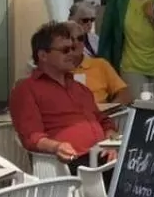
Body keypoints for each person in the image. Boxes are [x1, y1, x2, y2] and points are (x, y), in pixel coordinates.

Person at [10, 22, 109, 163]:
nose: (72, 54)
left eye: (73, 48)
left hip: (102, 156)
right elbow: (31, 136)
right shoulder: (26, 89)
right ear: (43, 55)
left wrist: (112, 143)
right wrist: (56, 147)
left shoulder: (80, 88)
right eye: (65, 50)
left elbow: (104, 122)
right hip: (68, 163)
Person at [69, 3, 131, 106]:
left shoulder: (99, 57)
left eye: (92, 20)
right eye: (85, 20)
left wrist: (108, 111)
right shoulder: (57, 67)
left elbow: (125, 94)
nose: (89, 24)